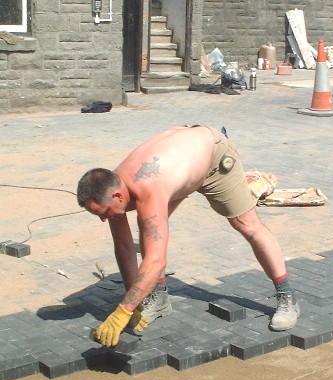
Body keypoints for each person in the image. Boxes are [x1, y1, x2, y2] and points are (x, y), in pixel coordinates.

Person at [77, 125, 300, 347]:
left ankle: (287, 296)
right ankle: (159, 298)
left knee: (246, 225)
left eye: (103, 213)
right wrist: (133, 304)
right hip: (180, 170)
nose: (103, 219)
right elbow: (124, 247)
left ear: (117, 195)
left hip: (213, 159)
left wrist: (122, 311)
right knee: (149, 234)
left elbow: (156, 260)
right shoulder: (110, 187)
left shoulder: (147, 189)